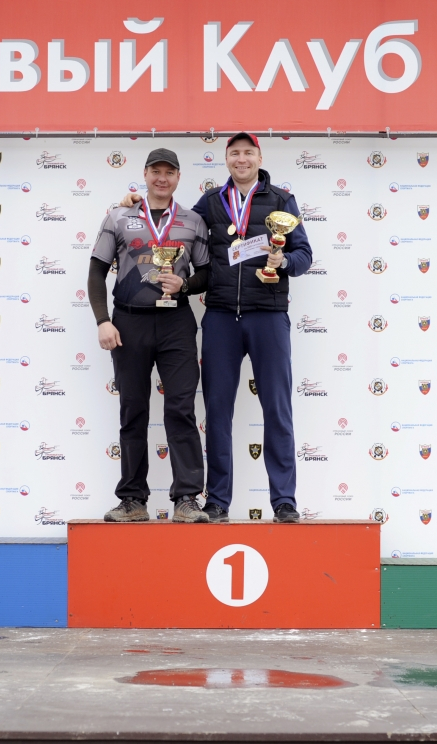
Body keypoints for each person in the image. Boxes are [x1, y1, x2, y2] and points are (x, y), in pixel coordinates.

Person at [123, 133, 313, 523]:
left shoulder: (282, 201)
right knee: (218, 412)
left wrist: (283, 263)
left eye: (248, 153)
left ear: (259, 157)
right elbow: (172, 224)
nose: (242, 159)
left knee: (277, 409)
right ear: (226, 159)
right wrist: (134, 205)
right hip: (222, 317)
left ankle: (284, 501)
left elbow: (304, 255)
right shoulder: (210, 202)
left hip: (268, 315)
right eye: (235, 153)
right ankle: (218, 501)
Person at [91, 148, 211, 523]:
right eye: (155, 171)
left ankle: (187, 498)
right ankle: (132, 499)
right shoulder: (119, 216)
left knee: (181, 409)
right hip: (128, 323)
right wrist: (102, 320)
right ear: (145, 174)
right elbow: (96, 272)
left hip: (176, 323)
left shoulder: (192, 221)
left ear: (178, 178)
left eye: (169, 172)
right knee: (133, 410)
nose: (162, 178)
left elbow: (206, 273)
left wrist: (185, 285)